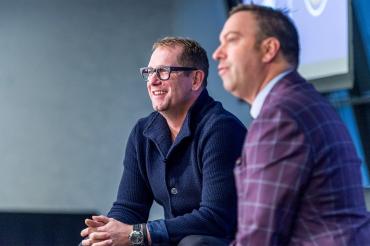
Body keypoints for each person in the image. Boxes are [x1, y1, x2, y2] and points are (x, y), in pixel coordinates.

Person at [213, 4, 370, 246]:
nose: (217, 53)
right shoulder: (298, 101)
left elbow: (258, 238)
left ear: (268, 50)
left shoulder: (280, 116)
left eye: (231, 40)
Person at [80, 37, 246, 246]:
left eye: (164, 71)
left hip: (221, 241)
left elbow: (215, 219)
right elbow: (130, 207)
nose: (153, 81)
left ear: (195, 79)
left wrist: (136, 234)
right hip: (172, 241)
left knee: (194, 244)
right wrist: (107, 233)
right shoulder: (143, 132)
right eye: (149, 73)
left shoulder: (222, 129)